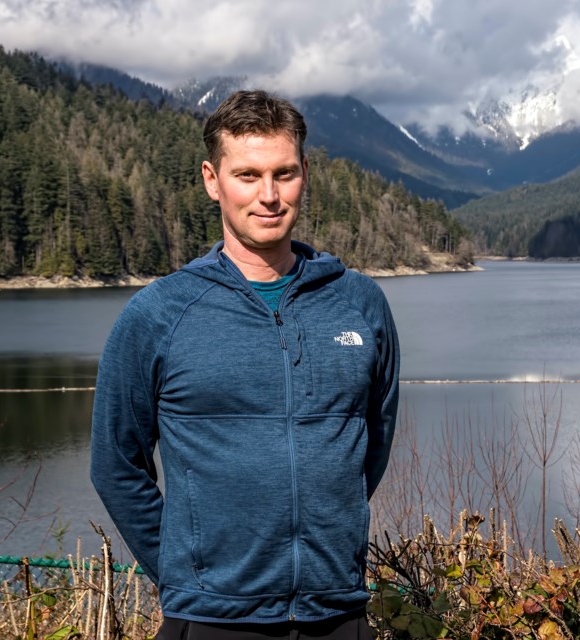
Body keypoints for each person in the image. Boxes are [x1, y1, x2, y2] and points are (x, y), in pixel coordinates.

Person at [90, 89, 400, 640]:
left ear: (305, 171)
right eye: (248, 175)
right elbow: (115, 463)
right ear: (213, 179)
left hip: (339, 614)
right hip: (210, 620)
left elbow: (370, 447)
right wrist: (188, 573)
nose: (269, 196)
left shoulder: (361, 304)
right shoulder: (160, 313)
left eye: (284, 173)